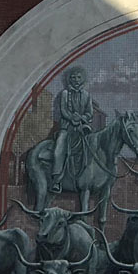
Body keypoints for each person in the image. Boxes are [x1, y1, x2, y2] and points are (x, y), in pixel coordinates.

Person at [50, 65, 98, 193]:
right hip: (67, 128)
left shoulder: (87, 95)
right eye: (73, 77)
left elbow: (90, 112)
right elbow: (63, 110)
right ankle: (56, 180)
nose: (76, 80)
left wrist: (82, 117)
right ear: (69, 79)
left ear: (82, 79)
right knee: (58, 150)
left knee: (94, 147)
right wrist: (72, 118)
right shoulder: (65, 94)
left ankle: (92, 178)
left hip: (82, 128)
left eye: (78, 77)